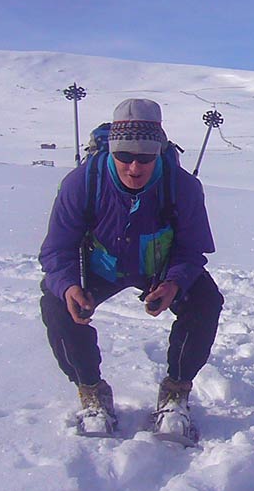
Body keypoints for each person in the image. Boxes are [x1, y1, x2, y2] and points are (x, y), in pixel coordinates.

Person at [38, 98, 223, 442]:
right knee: (55, 302)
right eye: (123, 156)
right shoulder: (81, 183)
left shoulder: (182, 187)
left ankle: (176, 391)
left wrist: (174, 283)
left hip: (157, 267)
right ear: (111, 151)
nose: (134, 167)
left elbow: (192, 249)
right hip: (98, 267)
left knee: (204, 300)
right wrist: (68, 287)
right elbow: (57, 250)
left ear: (159, 153)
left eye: (145, 158)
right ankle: (90, 390)